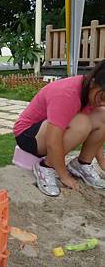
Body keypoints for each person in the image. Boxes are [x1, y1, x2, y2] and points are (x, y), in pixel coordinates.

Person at [14, 59, 105, 197]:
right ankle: (45, 167)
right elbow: (52, 140)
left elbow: (97, 131)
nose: (102, 103)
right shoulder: (67, 93)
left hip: (48, 130)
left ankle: (82, 164)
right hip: (28, 135)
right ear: (93, 82)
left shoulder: (91, 92)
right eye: (102, 97)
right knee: (82, 123)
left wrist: (101, 161)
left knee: (102, 114)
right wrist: (63, 175)